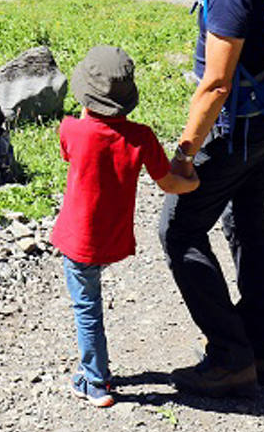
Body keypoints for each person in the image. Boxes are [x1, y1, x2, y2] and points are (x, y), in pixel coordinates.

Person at [127, 0, 264, 399]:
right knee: (250, 223)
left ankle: (230, 357)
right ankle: (258, 348)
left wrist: (183, 155)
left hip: (234, 127)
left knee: (178, 232)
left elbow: (216, 84)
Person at [50, 45, 199, 407]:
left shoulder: (72, 129)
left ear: (85, 94)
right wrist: (193, 181)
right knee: (91, 301)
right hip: (112, 238)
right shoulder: (142, 137)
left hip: (78, 239)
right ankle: (96, 373)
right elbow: (169, 183)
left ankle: (95, 381)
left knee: (87, 308)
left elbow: (70, 153)